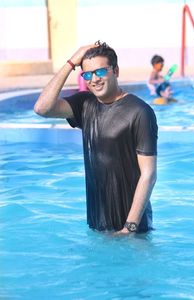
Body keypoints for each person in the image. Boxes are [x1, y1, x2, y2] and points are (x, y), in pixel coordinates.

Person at [34, 41, 158, 235]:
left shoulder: (140, 112)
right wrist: (70, 63)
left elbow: (148, 174)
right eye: (87, 74)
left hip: (133, 229)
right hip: (97, 223)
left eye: (100, 72)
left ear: (115, 71)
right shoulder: (84, 104)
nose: (94, 79)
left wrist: (129, 228)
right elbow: (42, 108)